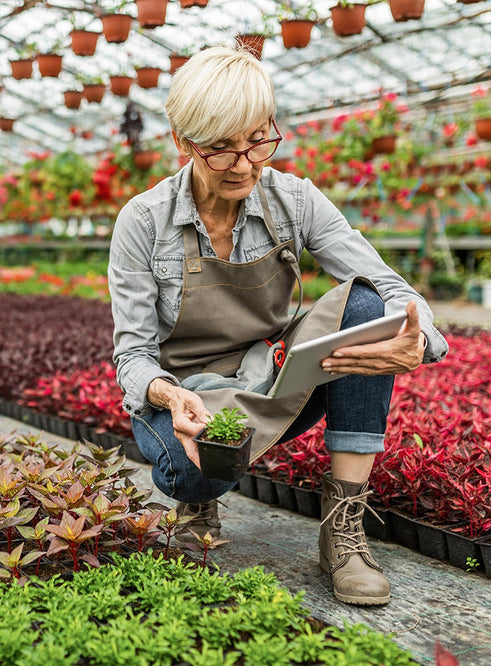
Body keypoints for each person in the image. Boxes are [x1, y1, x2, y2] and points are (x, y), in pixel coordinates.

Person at [108, 46, 448, 607]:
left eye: (259, 140)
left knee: (369, 310)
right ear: (183, 142)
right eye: (221, 149)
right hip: (185, 400)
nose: (245, 164)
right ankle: (198, 502)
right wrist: (168, 394)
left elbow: (394, 291)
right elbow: (134, 355)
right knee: (191, 476)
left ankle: (342, 529)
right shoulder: (144, 221)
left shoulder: (295, 200)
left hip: (269, 376)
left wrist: (416, 341)